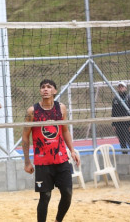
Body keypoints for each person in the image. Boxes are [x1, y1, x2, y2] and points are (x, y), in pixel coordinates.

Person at [22, 79, 80, 222]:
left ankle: (58, 220)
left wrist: (72, 150)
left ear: (54, 91)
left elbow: (65, 130)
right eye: (43, 87)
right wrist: (27, 162)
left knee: (67, 194)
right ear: (40, 91)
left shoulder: (61, 108)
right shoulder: (32, 111)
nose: (45, 89)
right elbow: (25, 137)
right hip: (43, 162)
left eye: (49, 87)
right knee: (45, 197)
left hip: (61, 159)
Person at [111, 81, 130, 154]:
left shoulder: (129, 98)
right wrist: (113, 124)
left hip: (127, 124)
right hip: (118, 124)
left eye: (122, 87)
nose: (121, 88)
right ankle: (125, 157)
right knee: (122, 143)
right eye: (119, 87)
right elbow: (113, 112)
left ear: (125, 88)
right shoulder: (115, 99)